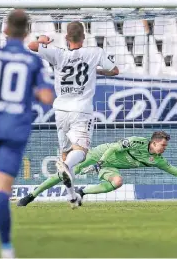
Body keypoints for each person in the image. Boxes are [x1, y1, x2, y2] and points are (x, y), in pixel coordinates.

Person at [0, 10, 54, 258]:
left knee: (0, 189)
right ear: (27, 33)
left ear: (5, 30)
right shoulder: (32, 61)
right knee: (4, 190)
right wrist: (29, 93)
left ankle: (6, 248)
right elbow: (47, 97)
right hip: (15, 129)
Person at [26, 21, 119, 208]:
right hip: (81, 110)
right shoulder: (95, 52)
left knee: (65, 155)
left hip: (60, 109)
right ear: (84, 37)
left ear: (67, 38)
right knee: (80, 154)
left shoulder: (57, 53)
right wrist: (95, 71)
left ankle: (71, 198)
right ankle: (66, 167)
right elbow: (115, 70)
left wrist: (43, 40)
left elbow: (31, 46)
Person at [18, 131, 177, 205]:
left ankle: (82, 192)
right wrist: (99, 162)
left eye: (165, 146)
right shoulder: (136, 142)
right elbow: (112, 148)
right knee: (65, 173)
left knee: (118, 182)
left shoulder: (157, 160)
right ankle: (32, 195)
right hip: (98, 155)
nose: (164, 149)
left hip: (107, 165)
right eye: (162, 145)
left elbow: (175, 171)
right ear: (153, 143)